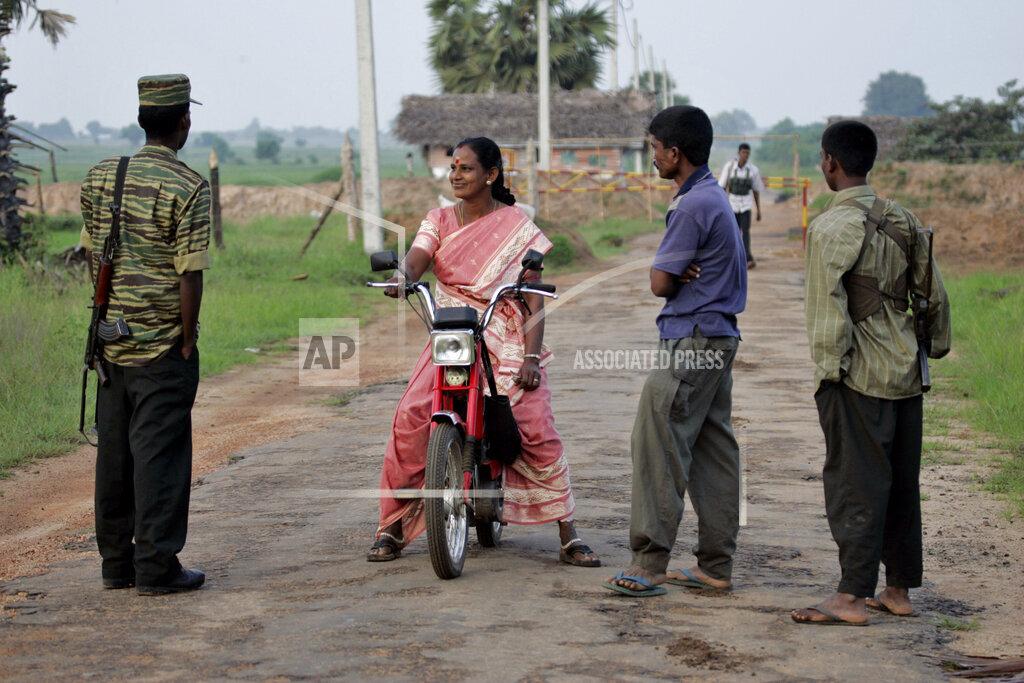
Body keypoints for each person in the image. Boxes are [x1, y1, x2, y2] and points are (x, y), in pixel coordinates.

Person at [368, 136, 599, 568]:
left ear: (491, 175)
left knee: (534, 423)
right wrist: (403, 277)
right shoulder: (437, 220)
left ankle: (568, 532)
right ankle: (392, 528)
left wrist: (530, 358)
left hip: (505, 334)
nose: (456, 175)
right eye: (453, 167)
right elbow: (417, 258)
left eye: (467, 168)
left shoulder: (517, 226)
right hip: (453, 331)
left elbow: (532, 297)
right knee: (410, 417)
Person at [792, 121, 950, 626]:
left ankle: (850, 598)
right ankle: (898, 590)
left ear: (830, 163)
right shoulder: (905, 220)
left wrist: (828, 371)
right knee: (902, 483)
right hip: (905, 371)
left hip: (857, 375)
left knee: (854, 484)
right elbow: (933, 299)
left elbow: (826, 310)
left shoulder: (829, 227)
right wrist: (930, 347)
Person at [605, 106, 747, 597]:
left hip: (691, 342)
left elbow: (659, 282)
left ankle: (648, 562)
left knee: (657, 443)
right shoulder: (713, 196)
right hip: (719, 336)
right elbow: (672, 273)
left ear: (675, 152)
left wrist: (671, 269)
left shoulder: (690, 206)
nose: (651, 159)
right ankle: (715, 565)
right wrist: (675, 268)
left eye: (654, 150)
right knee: (713, 450)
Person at [79, 74, 210, 596]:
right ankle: (156, 567)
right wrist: (185, 337)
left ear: (141, 120)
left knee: (114, 453)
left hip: (111, 340)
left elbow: (93, 254)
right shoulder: (188, 186)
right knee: (160, 455)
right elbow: (190, 272)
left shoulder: (99, 177)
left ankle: (116, 564)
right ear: (183, 121)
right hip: (161, 346)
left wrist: (110, 317)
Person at [717, 143, 765, 269]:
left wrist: (758, 210)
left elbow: (756, 190)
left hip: (746, 205)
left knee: (745, 232)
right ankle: (732, 257)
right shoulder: (730, 167)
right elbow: (722, 186)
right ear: (739, 153)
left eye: (747, 153)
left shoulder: (753, 170)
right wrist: (722, 205)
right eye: (743, 153)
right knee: (733, 232)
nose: (745, 155)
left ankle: (747, 257)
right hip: (732, 204)